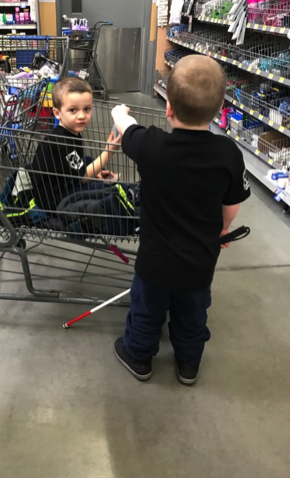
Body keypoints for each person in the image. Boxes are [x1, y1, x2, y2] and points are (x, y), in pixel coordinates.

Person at [111, 54, 251, 384]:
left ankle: (139, 356)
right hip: (198, 262)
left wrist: (119, 112)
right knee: (192, 314)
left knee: (146, 309)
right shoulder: (228, 153)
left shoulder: (151, 146)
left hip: (154, 262)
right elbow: (231, 204)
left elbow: (127, 129)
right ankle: (188, 364)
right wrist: (224, 228)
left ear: (168, 108)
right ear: (218, 110)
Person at [29, 76, 121, 213]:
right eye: (73, 110)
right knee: (110, 190)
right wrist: (108, 152)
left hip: (64, 183)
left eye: (87, 109)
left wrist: (95, 172)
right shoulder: (60, 142)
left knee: (88, 161)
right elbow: (83, 178)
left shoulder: (71, 132)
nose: (82, 116)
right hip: (55, 201)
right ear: (57, 113)